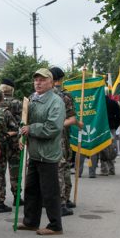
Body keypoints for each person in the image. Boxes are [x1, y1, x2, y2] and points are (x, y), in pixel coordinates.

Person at [18, 68, 66, 235]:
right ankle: (31, 221)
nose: (38, 82)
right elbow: (24, 122)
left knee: (50, 192)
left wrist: (31, 129)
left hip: (48, 154)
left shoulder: (56, 102)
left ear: (51, 83)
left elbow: (53, 128)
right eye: (36, 79)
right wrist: (22, 137)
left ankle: (55, 226)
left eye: (42, 80)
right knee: (31, 190)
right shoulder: (32, 99)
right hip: (35, 152)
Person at [49, 66, 78, 213]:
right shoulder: (66, 96)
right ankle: (62, 202)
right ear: (61, 79)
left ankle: (54, 200)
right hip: (61, 138)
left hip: (44, 137)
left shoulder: (38, 95)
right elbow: (72, 119)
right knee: (62, 168)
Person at [0, 78, 23, 205]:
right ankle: (17, 197)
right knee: (15, 171)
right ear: (12, 89)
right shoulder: (18, 103)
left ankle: (0, 200)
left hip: (0, 141)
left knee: (0, 172)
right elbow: (22, 122)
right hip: (14, 141)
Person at [99, 95, 120, 176]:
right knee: (111, 149)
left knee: (102, 148)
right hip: (111, 128)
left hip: (100, 128)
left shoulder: (98, 103)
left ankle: (104, 169)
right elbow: (119, 116)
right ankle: (111, 169)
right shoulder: (113, 103)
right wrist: (115, 126)